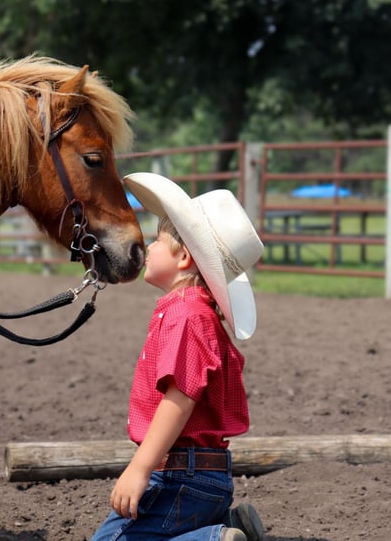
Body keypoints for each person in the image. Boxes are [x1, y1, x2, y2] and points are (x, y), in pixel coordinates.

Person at [90, 173, 266, 541]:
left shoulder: (184, 315)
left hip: (180, 477)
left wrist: (140, 468)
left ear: (183, 257)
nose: (149, 248)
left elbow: (180, 398)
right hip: (204, 478)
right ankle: (227, 526)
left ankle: (211, 539)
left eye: (157, 241)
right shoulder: (198, 313)